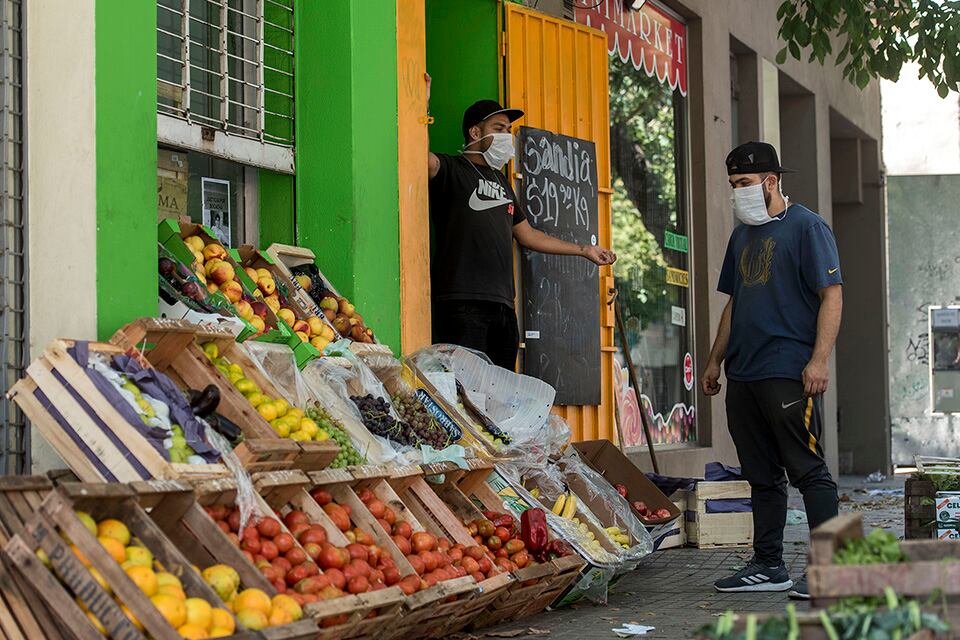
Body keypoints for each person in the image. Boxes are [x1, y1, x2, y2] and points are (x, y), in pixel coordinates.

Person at [702, 141, 842, 600]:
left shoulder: (807, 227)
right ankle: (768, 565)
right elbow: (734, 303)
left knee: (809, 471)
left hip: (788, 369)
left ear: (771, 180)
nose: (737, 193)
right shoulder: (741, 235)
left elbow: (832, 296)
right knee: (760, 475)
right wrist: (714, 360)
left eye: (743, 184)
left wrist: (819, 360)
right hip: (743, 374)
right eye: (732, 186)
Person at [426, 74, 616, 370]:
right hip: (462, 302)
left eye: (508, 129)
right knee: (463, 392)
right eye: (498, 128)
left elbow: (528, 235)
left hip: (503, 306)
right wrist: (421, 105)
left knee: (498, 393)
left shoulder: (502, 182)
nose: (507, 136)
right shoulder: (452, 169)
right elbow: (419, 158)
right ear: (475, 132)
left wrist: (583, 250)